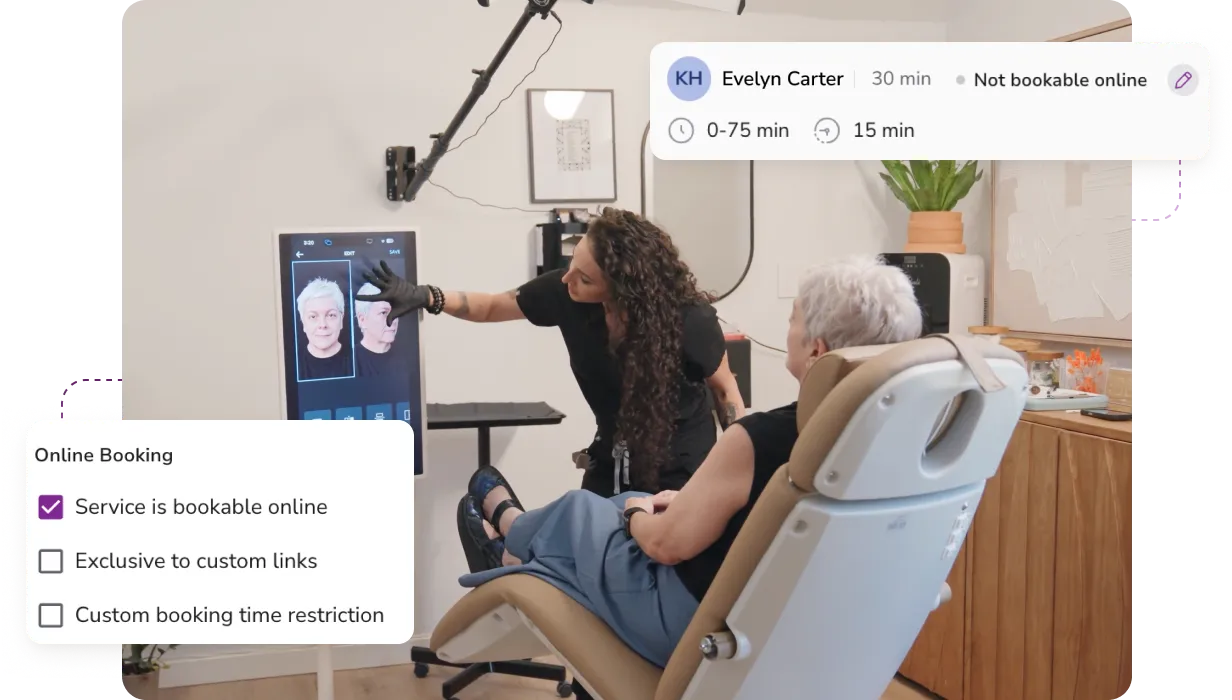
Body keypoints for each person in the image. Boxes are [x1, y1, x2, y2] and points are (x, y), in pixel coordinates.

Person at [454, 255, 924, 674]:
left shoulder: (762, 439)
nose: (788, 333)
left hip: (696, 630)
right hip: (810, 631)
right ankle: (521, 543)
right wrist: (687, 502)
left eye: (793, 321)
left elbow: (664, 547)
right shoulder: (900, 441)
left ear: (818, 351)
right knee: (625, 504)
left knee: (589, 510)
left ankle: (510, 544)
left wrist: (638, 514)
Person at [358, 207, 746, 496]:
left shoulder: (688, 321)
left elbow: (726, 392)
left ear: (624, 288)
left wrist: (738, 473)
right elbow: (493, 306)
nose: (567, 279)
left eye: (584, 277)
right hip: (612, 459)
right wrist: (427, 296)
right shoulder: (567, 295)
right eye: (571, 264)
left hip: (681, 467)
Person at [296, 277, 351, 381]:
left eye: (330, 315)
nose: (323, 325)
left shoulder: (359, 361)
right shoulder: (290, 365)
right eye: (313, 316)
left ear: (341, 318)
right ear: (303, 322)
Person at [354, 281, 404, 377]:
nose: (392, 319)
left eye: (395, 311)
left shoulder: (407, 359)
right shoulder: (349, 363)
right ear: (362, 319)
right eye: (383, 313)